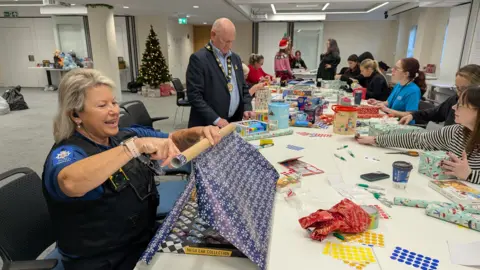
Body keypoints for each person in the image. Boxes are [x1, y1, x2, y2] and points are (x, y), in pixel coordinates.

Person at [42, 69, 222, 270]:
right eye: (102, 105)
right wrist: (134, 148)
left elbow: (174, 140)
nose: (114, 110)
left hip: (141, 241)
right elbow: (70, 181)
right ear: (76, 114)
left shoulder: (124, 135)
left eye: (114, 103)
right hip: (104, 260)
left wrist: (200, 133)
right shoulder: (68, 153)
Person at [356, 86, 480, 184]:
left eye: (460, 105)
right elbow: (417, 139)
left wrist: (469, 175)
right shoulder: (456, 131)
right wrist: (375, 139)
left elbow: (468, 174)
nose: (453, 107)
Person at [186, 18, 254, 128]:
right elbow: (194, 96)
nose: (229, 46)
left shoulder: (235, 58)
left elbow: (243, 88)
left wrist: (247, 107)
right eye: (226, 41)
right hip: (208, 125)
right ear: (213, 35)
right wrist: (216, 120)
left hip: (233, 122)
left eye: (232, 41)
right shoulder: (198, 59)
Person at [399, 64, 480, 125]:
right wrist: (413, 115)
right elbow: (435, 113)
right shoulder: (454, 99)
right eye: (457, 88)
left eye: (464, 89)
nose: (459, 94)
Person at [368, 58, 424, 122]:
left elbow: (411, 114)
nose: (392, 69)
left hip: (403, 125)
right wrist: (377, 102)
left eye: (396, 68)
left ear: (406, 74)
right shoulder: (398, 85)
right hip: (392, 120)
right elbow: (388, 102)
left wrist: (387, 110)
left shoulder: (413, 91)